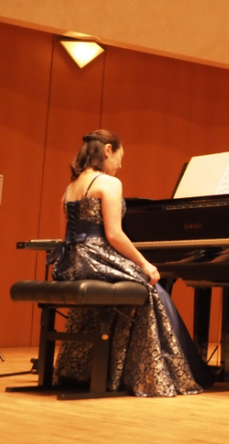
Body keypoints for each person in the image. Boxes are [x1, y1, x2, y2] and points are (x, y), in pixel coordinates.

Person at [48, 130, 213, 397]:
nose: (121, 165)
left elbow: (64, 236)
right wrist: (145, 264)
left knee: (128, 292)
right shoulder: (109, 183)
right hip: (96, 258)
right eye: (120, 157)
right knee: (153, 290)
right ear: (108, 150)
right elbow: (114, 234)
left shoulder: (70, 187)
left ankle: (94, 371)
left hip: (71, 263)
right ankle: (155, 373)